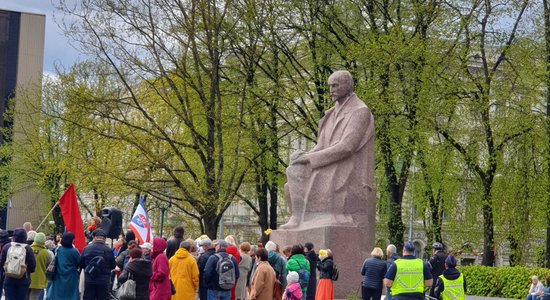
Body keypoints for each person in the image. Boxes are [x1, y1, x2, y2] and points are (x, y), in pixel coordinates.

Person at [281, 70, 375, 229]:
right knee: (291, 176)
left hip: (346, 167)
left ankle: (298, 218)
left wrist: (310, 159)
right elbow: (321, 145)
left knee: (295, 173)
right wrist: (304, 155)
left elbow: (347, 147)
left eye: (335, 85)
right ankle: (298, 217)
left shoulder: (360, 110)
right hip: (330, 163)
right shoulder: (330, 113)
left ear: (347, 85)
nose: (331, 89)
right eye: (330, 86)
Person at [80, 228, 116, 300]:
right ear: (105, 239)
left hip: (89, 280)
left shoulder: (86, 248)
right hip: (103, 281)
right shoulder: (109, 250)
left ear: (94, 237)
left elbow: (81, 264)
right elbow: (113, 266)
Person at [1, 227, 36, 299]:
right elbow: (32, 266)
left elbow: (1, 262)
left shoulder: (7, 246)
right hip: (23, 280)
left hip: (9, 278)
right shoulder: (28, 248)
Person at [46, 232, 81, 300]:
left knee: (58, 293)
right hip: (71, 276)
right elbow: (79, 262)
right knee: (70, 293)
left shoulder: (58, 249)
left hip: (58, 274)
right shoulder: (74, 251)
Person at [28, 232, 51, 300]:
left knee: (25, 296)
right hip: (39, 279)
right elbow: (49, 266)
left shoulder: (28, 249)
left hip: (27, 278)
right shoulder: (46, 253)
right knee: (34, 296)